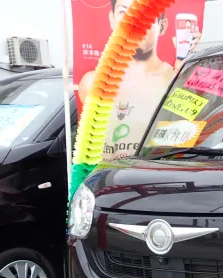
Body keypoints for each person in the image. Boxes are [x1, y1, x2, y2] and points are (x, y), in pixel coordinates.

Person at [77, 0, 201, 160]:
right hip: (104, 176)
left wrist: (184, 76)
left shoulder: (174, 82)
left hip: (148, 175)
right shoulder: (91, 83)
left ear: (162, 25)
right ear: (112, 19)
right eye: (124, 12)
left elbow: (189, 137)